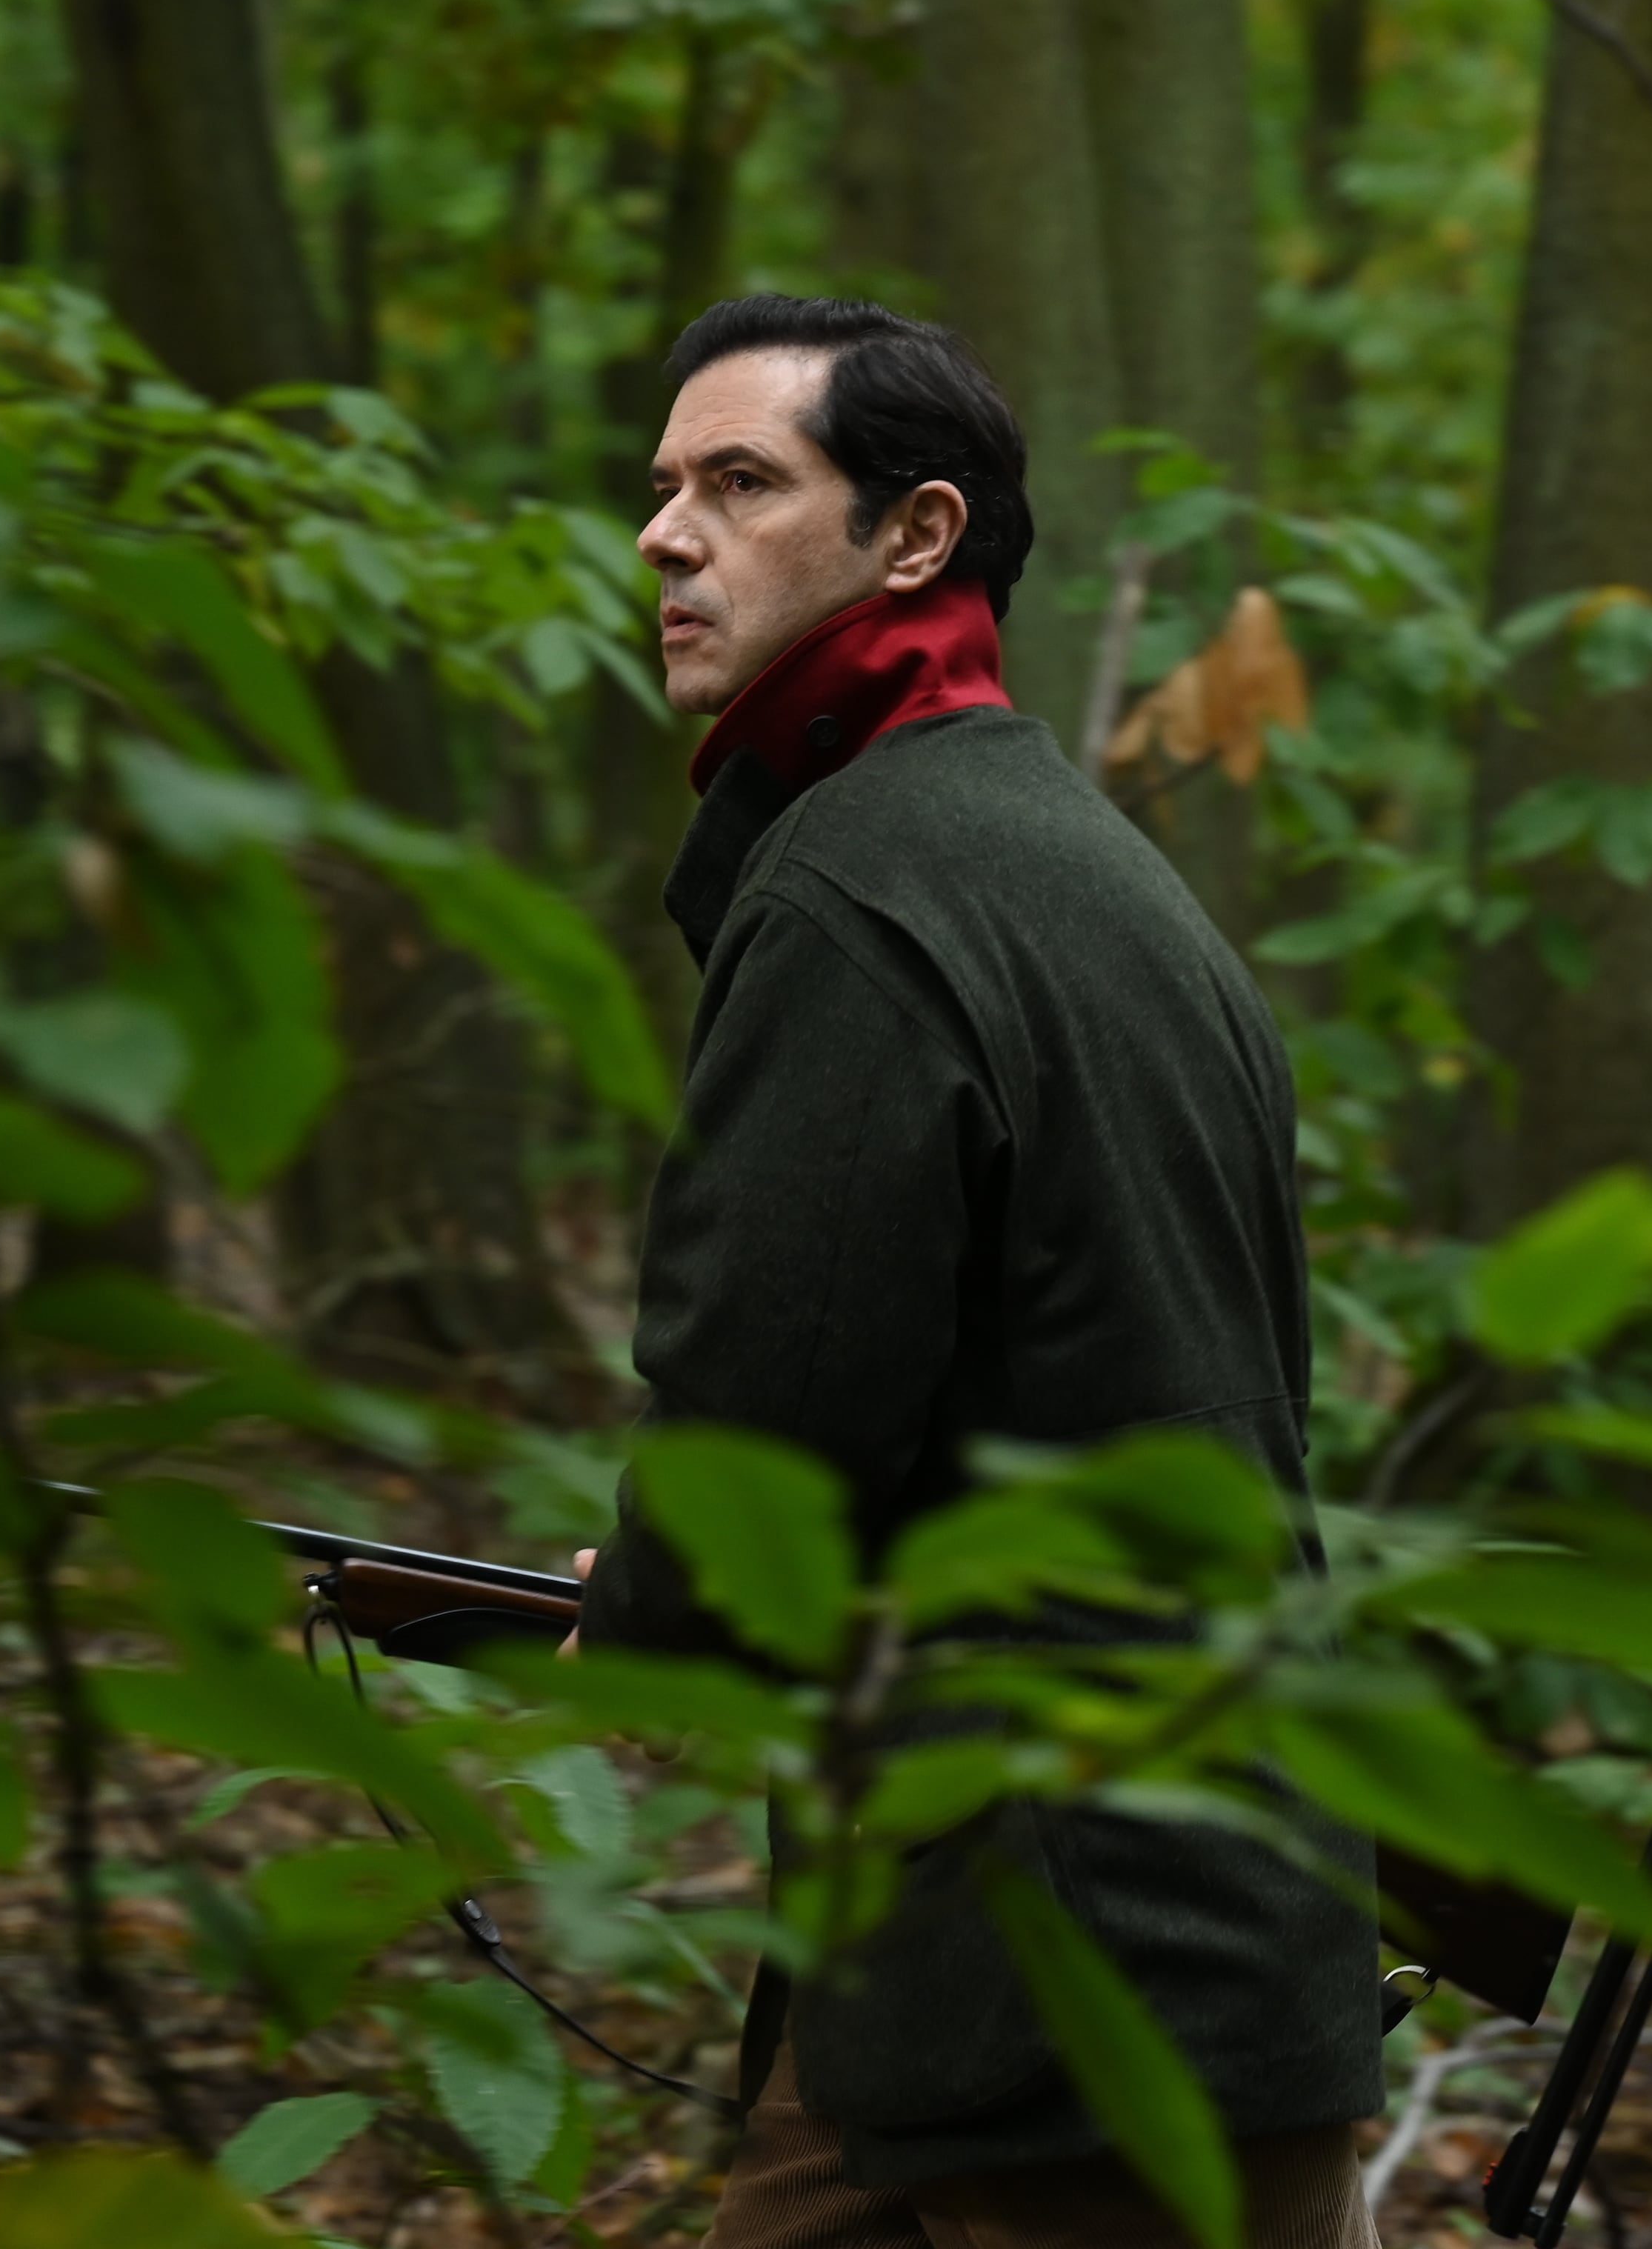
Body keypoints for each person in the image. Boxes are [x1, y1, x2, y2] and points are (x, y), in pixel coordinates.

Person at [573, 294, 1382, 2248]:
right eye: (663, 488)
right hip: (1082, 1922)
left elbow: (767, 1390)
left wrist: (661, 1616)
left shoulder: (863, 881)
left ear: (917, 534)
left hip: (1067, 1961)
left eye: (740, 484)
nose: (664, 536)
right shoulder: (1084, 865)